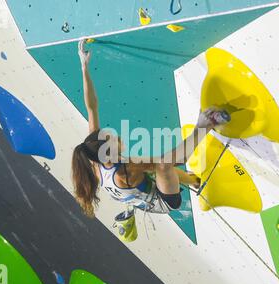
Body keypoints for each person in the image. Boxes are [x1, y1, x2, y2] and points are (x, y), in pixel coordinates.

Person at [72, 41, 230, 218]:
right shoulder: (126, 169)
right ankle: (209, 124)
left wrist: (84, 67)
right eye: (113, 138)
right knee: (163, 165)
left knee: (159, 166)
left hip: (138, 189)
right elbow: (175, 160)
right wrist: (199, 127)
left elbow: (91, 107)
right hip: (163, 202)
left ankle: (194, 180)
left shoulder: (94, 153)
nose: (116, 136)